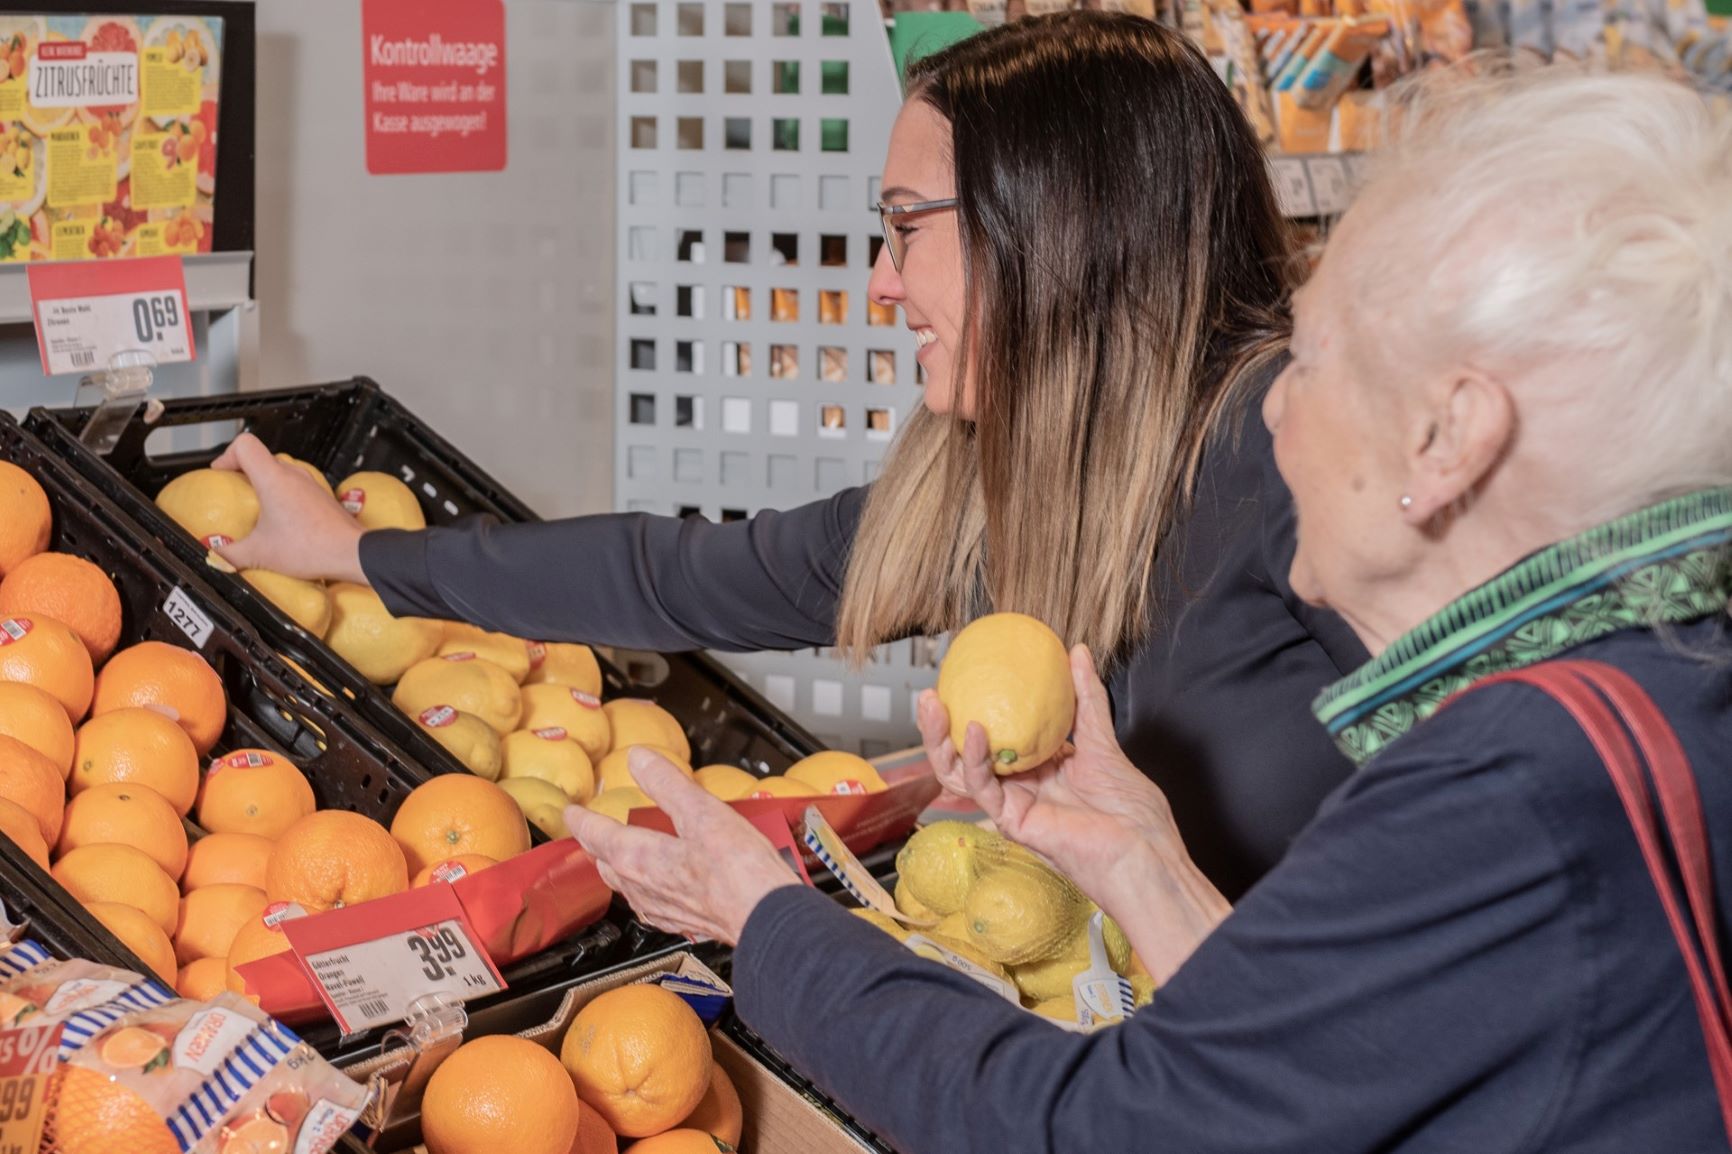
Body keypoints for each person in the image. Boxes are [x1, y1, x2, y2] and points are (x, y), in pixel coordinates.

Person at [566, 65, 1732, 1152]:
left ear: (1447, 436)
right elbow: (1309, 1076)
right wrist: (1142, 864)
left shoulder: (1510, 784)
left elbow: (1106, 1132)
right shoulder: (1642, 692)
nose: (1273, 415)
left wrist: (763, 918)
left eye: (1312, 360)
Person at [213, 12, 1365, 899]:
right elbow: (676, 574)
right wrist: (364, 553)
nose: (877, 282)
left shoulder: (1300, 463)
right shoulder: (993, 487)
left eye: (906, 227)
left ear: (1059, 225)